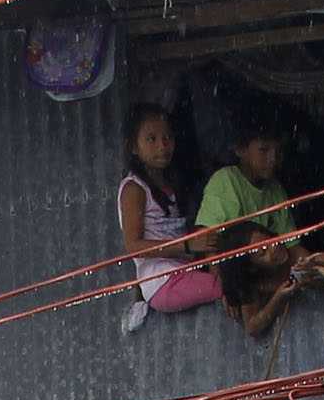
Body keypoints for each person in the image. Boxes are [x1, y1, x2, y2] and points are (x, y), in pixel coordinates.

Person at [114, 104, 224, 329]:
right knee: (231, 287)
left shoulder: (170, 183)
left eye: (167, 138)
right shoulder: (134, 188)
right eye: (151, 139)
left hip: (184, 271)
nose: (162, 146)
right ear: (133, 147)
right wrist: (187, 245)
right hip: (162, 282)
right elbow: (134, 246)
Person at [197, 124, 309, 335]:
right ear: (240, 150)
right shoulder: (226, 181)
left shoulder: (275, 189)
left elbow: (293, 247)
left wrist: (314, 265)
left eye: (277, 151)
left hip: (265, 273)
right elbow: (209, 243)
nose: (273, 159)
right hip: (240, 275)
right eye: (264, 150)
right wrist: (227, 288)